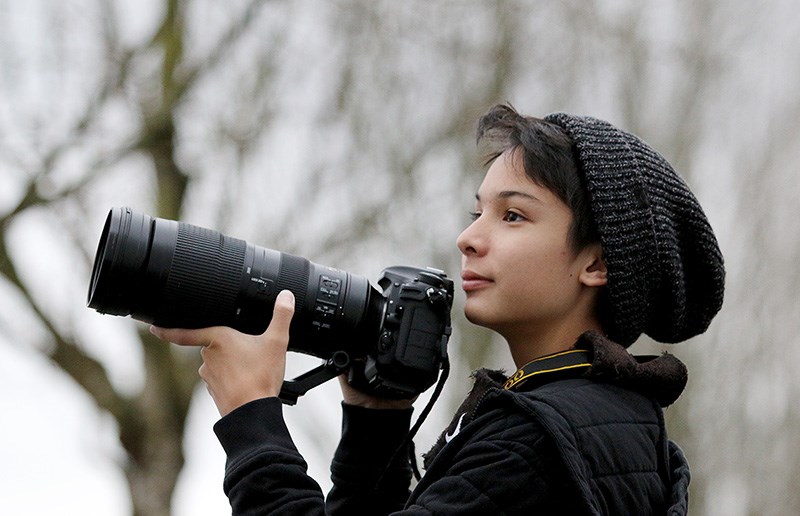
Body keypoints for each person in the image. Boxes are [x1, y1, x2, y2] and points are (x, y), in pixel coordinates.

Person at [151, 104, 725, 515]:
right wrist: (377, 424)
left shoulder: (539, 440)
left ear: (596, 263)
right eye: (477, 212)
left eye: (513, 216)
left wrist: (253, 421)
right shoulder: (595, 414)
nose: (468, 239)